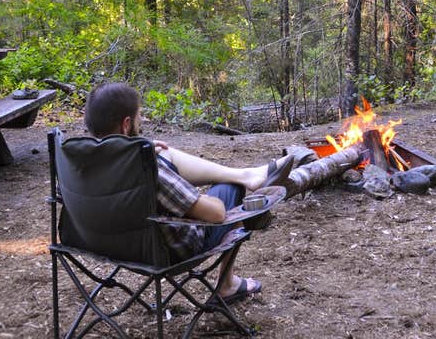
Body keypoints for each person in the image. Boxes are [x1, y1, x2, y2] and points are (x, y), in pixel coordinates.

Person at [84, 82, 294, 303]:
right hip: (168, 253)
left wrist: (141, 148)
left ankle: (247, 174)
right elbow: (216, 214)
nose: (141, 122)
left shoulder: (79, 165)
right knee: (231, 188)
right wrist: (192, 192)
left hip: (110, 248)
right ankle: (227, 285)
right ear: (126, 125)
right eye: (138, 118)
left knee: (165, 153)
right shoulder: (145, 169)